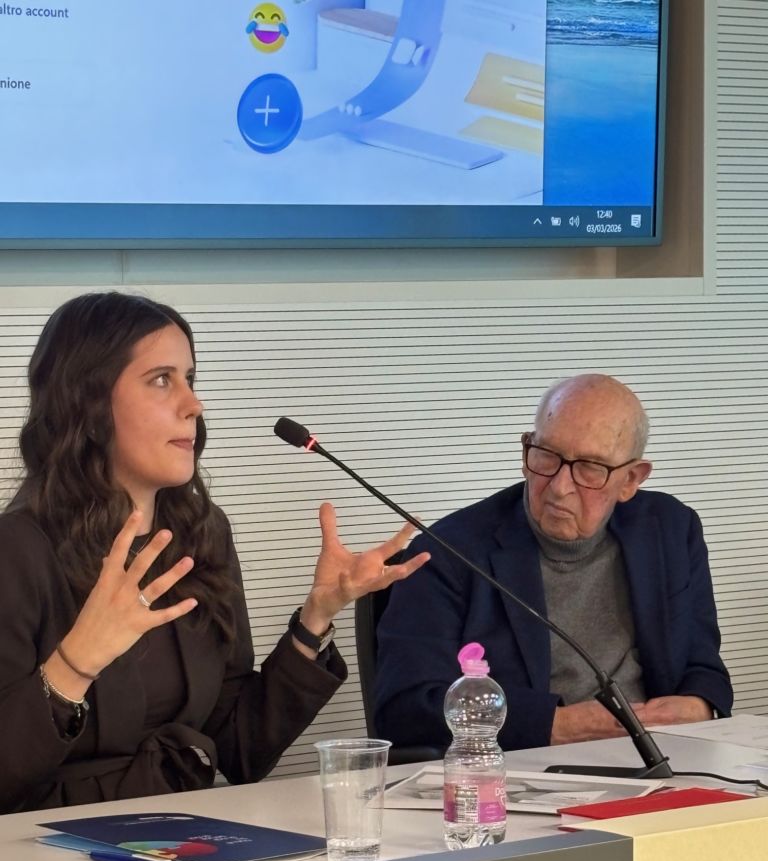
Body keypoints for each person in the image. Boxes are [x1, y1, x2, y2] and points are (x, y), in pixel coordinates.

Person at [0, 291, 428, 813]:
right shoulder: (16, 550)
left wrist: (315, 617)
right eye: (162, 380)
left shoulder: (203, 533)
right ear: (86, 404)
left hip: (179, 832)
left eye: (190, 378)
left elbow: (240, 748)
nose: (194, 405)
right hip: (44, 844)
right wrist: (74, 665)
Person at [374, 374, 732, 753]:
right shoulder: (449, 551)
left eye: (590, 467)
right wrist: (559, 726)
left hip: (661, 756)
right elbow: (404, 709)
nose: (560, 487)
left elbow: (703, 665)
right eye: (546, 455)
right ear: (526, 450)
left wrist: (699, 706)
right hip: (522, 768)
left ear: (630, 479)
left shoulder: (671, 529)